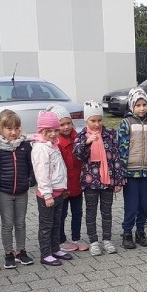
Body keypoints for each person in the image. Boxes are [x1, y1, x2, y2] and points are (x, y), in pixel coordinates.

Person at [0, 109, 35, 269]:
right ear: (0, 128)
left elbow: (31, 165)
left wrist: (30, 181)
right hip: (3, 191)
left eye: (16, 128)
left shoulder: (25, 146)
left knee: (20, 222)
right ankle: (8, 252)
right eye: (9, 128)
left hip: (22, 191)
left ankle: (21, 251)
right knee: (7, 223)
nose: (13, 132)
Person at [73, 101, 123, 256]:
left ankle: (107, 239)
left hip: (107, 181)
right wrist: (87, 143)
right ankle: (93, 241)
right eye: (92, 121)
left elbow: (115, 158)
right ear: (86, 121)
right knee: (91, 212)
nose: (96, 124)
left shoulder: (109, 135)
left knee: (107, 212)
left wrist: (118, 180)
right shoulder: (81, 136)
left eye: (99, 120)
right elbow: (77, 155)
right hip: (90, 183)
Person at [30, 111, 71, 266]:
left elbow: (60, 169)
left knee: (57, 223)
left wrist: (64, 187)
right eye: (49, 131)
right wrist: (47, 195)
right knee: (46, 225)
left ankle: (55, 249)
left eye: (56, 130)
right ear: (42, 131)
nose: (54, 134)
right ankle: (45, 253)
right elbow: (42, 174)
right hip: (48, 195)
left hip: (59, 191)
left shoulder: (54, 145)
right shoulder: (41, 148)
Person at [117, 87, 147, 250]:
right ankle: (127, 233)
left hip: (146, 173)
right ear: (132, 106)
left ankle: (140, 231)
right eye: (138, 105)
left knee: (143, 206)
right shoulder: (126, 123)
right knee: (131, 206)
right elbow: (121, 149)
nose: (141, 108)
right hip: (131, 173)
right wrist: (121, 172)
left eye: (144, 105)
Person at [55, 106, 87, 252]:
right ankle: (61, 239)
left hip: (77, 185)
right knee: (62, 214)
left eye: (69, 123)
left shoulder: (78, 138)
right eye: (62, 124)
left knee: (78, 212)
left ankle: (76, 237)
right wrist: (63, 187)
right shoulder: (57, 143)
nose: (66, 127)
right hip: (64, 187)